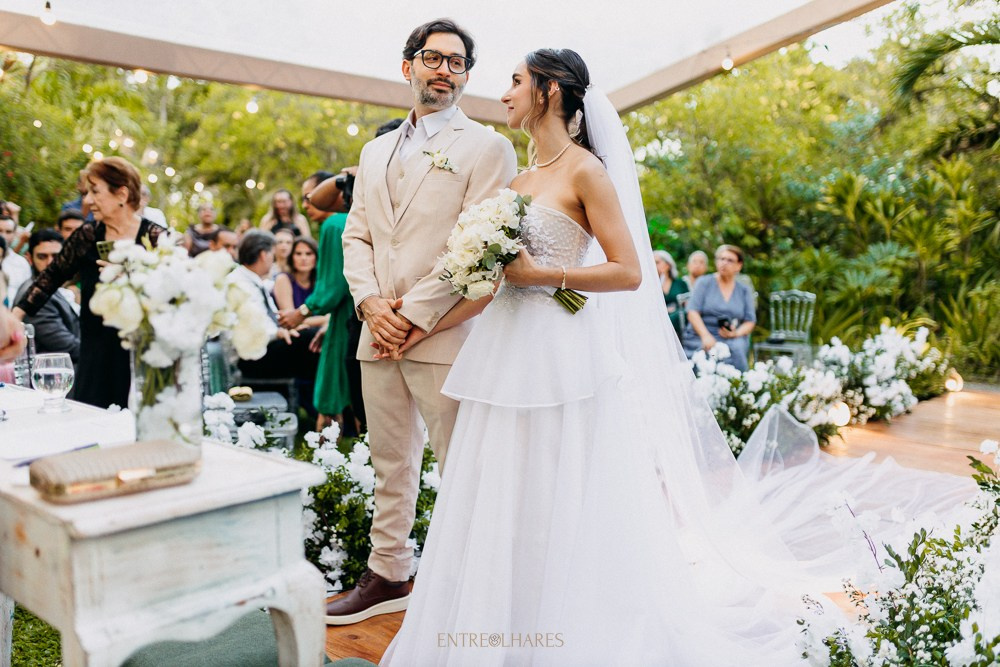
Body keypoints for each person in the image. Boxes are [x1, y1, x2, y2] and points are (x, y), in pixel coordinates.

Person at [378, 49, 976, 666]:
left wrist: (548, 275)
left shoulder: (587, 173)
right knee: (496, 488)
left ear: (550, 92)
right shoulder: (519, 182)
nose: (504, 94)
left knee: (557, 488)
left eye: (515, 81)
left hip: (558, 358)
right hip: (505, 355)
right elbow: (494, 286)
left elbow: (629, 271)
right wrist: (421, 326)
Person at [325, 18, 517, 626]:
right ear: (407, 66)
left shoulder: (488, 147)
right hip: (375, 332)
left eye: (457, 63)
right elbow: (355, 236)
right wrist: (370, 305)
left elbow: (481, 249)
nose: (445, 70)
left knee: (458, 464)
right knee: (389, 462)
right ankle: (389, 572)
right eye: (434, 59)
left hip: (445, 334)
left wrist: (409, 316)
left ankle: (471, 584)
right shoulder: (373, 150)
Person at [13, 157, 163, 408]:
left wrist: (135, 275)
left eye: (95, 191)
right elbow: (49, 279)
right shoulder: (87, 235)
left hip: (142, 351)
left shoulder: (155, 238)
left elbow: (176, 293)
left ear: (122, 194)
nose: (87, 200)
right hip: (95, 352)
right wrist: (12, 319)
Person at [278, 170, 355, 433]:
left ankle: (327, 462)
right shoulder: (355, 219)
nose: (306, 205)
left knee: (330, 395)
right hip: (357, 314)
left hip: (346, 317)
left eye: (310, 196)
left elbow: (334, 286)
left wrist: (301, 313)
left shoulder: (334, 225)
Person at [681, 244, 756, 371]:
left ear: (739, 265)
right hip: (701, 333)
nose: (724, 263)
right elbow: (692, 312)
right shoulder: (704, 282)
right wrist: (705, 335)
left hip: (730, 335)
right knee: (707, 354)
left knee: (737, 348)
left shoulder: (744, 290)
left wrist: (736, 333)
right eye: (721, 259)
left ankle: (736, 387)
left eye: (730, 260)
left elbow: (750, 321)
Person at [13, 229, 80, 363]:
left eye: (56, 256)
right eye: (42, 256)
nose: (50, 263)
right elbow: (65, 345)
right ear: (29, 258)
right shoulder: (35, 295)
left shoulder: (54, 288)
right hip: (54, 377)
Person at [653, 248, 685, 335]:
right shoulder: (653, 285)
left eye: (657, 262)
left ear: (668, 265)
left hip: (678, 319)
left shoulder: (680, 283)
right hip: (659, 318)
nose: (653, 265)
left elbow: (688, 303)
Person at [0, 215, 31, 301]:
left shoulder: (21, 263)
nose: (3, 235)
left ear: (14, 235)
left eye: (8, 232)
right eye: (0, 230)